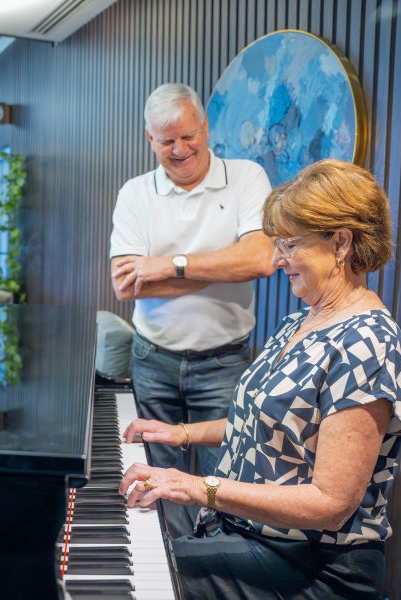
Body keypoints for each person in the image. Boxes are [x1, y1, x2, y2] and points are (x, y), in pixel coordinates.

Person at [119, 159, 401, 599]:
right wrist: (179, 433)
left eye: (289, 244)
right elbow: (269, 425)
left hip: (310, 565)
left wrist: (197, 487)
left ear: (340, 243)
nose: (277, 260)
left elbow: (331, 505)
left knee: (142, 579)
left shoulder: (367, 345)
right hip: (253, 539)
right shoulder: (303, 319)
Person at [110, 83, 274, 475]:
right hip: (153, 360)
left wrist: (169, 266)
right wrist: (224, 265)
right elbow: (126, 286)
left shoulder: (247, 178)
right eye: (167, 140)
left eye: (188, 136)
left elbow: (262, 259)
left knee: (224, 479)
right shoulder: (135, 193)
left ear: (205, 127)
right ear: (150, 139)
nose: (179, 149)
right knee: (156, 476)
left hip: (224, 361)